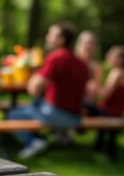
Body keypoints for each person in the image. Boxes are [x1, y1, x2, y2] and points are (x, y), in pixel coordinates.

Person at [7, 22, 89, 159]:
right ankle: (57, 137)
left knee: (12, 114)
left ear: (62, 39)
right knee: (36, 104)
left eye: (51, 35)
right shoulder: (80, 63)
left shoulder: (55, 57)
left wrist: (34, 73)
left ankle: (34, 141)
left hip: (58, 115)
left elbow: (33, 90)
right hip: (75, 117)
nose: (47, 38)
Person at [92, 46, 124, 160]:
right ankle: (102, 148)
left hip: (109, 112)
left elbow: (104, 94)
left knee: (87, 108)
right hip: (118, 112)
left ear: (122, 59)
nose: (108, 57)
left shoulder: (116, 73)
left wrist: (95, 83)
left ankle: (97, 145)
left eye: (112, 55)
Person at [75, 31, 103, 109]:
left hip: (86, 103)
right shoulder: (72, 61)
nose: (88, 46)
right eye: (86, 43)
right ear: (79, 44)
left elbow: (95, 88)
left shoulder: (96, 66)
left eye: (91, 43)